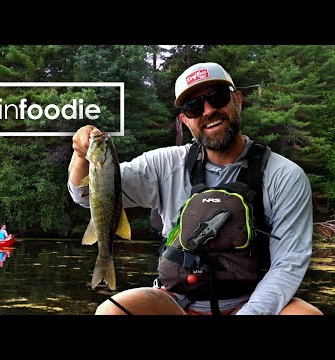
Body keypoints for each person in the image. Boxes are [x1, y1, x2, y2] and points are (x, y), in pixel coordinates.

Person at [67, 62, 323, 315]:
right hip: (175, 301)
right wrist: (80, 155)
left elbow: (287, 264)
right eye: (194, 106)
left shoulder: (285, 176)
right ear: (184, 120)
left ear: (238, 100)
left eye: (218, 97)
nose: (208, 110)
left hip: (251, 300)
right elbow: (85, 195)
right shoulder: (163, 164)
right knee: (110, 312)